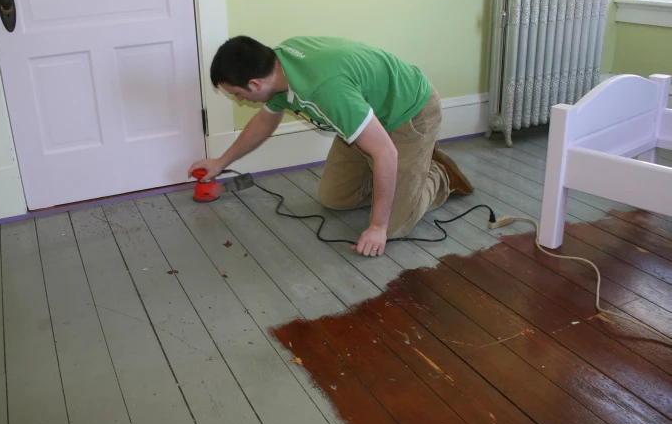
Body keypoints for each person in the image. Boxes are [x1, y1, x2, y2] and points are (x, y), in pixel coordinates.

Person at [189, 35, 473, 257]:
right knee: (336, 199)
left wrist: (377, 227)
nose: (240, 100)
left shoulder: (325, 91)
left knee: (395, 226)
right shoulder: (279, 67)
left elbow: (385, 151)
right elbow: (264, 122)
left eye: (238, 94)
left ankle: (437, 173)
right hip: (363, 116)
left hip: (409, 112)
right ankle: (405, 170)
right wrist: (220, 163)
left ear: (254, 83)